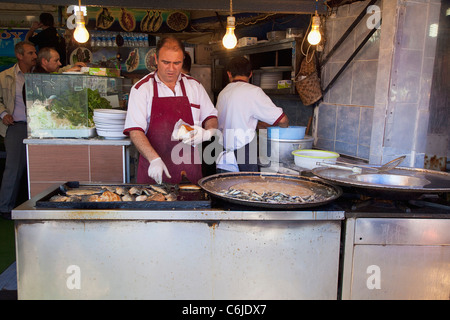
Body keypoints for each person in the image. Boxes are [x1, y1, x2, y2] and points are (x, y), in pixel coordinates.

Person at [123, 36, 218, 184]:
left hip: (190, 172)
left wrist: (208, 132)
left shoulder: (195, 87)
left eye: (177, 63)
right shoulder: (142, 89)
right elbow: (135, 131)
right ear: (156, 59)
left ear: (183, 60)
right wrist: (154, 159)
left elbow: (211, 116)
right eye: (166, 62)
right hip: (155, 173)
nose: (171, 68)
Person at [216, 56, 289, 173]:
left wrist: (256, 124)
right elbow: (282, 120)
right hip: (244, 152)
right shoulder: (253, 91)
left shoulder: (223, 93)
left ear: (229, 74)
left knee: (223, 188)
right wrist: (286, 131)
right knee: (248, 189)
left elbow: (233, 120)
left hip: (222, 151)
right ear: (250, 74)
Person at [0, 41, 37, 218]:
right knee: (13, 168)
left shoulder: (39, 75)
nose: (34, 56)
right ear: (19, 55)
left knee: (39, 168)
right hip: (17, 126)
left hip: (39, 128)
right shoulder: (5, 76)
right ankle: (5, 208)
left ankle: (37, 206)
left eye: (35, 53)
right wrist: (3, 114)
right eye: (30, 53)